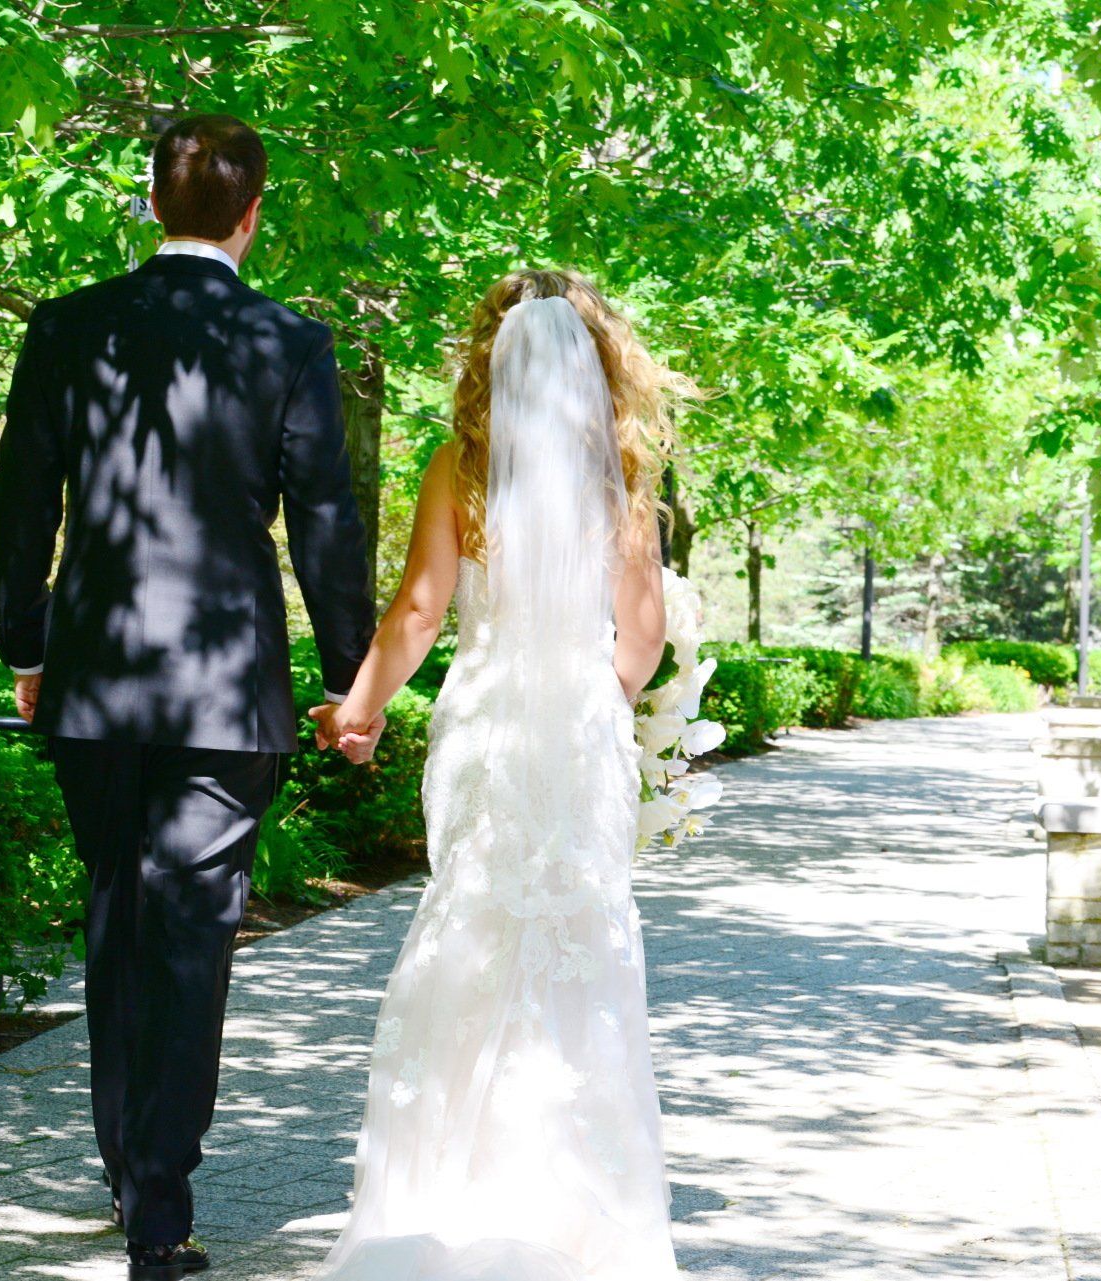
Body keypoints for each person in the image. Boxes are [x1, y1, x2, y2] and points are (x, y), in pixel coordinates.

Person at [0, 113, 379, 1281]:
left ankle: (131, 1170)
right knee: (190, 938)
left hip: (94, 676)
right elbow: (325, 521)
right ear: (253, 215)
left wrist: (26, 649)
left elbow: (22, 502)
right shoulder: (290, 343)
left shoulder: (67, 326)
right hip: (226, 686)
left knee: (118, 912)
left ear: (151, 202)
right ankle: (160, 1208)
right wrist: (348, 679)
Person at [309, 269, 695, 1280]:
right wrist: (595, 698)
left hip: (486, 724)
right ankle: (576, 1212)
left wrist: (358, 709)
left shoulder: (461, 467)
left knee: (473, 931)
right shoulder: (621, 478)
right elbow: (643, 633)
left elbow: (418, 613)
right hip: (578, 732)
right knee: (581, 943)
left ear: (493, 358)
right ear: (599, 365)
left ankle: (449, 1194)